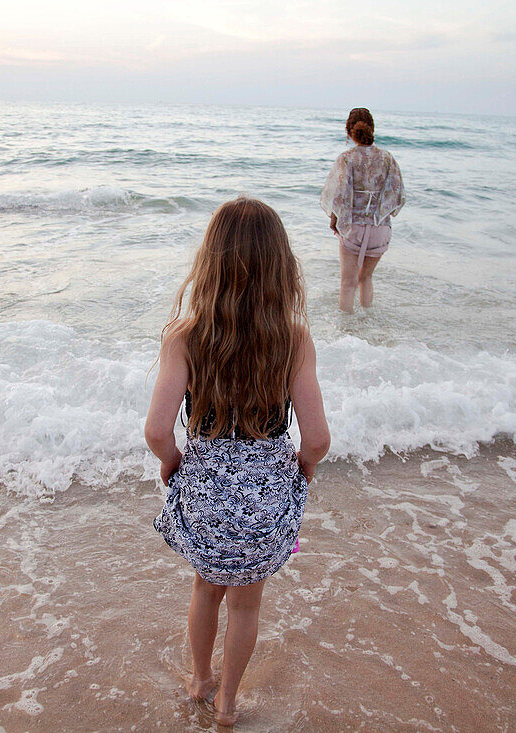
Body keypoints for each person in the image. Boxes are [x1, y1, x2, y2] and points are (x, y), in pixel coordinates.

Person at [146, 197, 330, 726]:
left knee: (207, 588)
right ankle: (228, 704)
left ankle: (200, 682)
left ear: (211, 259)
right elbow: (316, 437)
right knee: (247, 605)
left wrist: (173, 461)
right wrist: (302, 469)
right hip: (267, 496)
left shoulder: (186, 335)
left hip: (203, 493)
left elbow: (157, 430)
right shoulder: (292, 339)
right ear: (282, 266)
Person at [320, 107, 406, 312]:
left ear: (348, 132)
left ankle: (347, 334)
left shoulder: (347, 158)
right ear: (372, 129)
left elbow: (339, 195)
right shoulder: (387, 158)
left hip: (354, 228)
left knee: (347, 283)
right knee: (365, 278)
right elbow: (397, 195)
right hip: (380, 228)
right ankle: (368, 327)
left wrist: (334, 222)